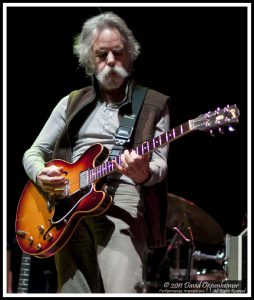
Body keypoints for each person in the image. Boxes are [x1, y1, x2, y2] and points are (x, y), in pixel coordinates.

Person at [22, 12, 170, 293]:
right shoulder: (70, 102)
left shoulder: (153, 103)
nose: (111, 61)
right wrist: (41, 174)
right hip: (65, 204)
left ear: (131, 55)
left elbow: (160, 165)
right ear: (90, 60)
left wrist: (144, 173)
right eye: (102, 55)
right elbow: (33, 152)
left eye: (118, 52)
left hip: (121, 198)